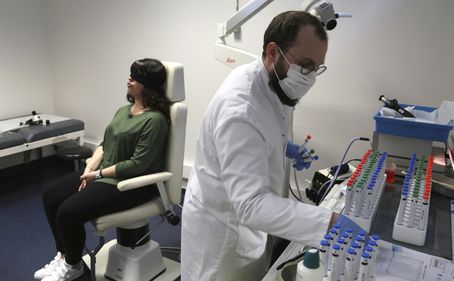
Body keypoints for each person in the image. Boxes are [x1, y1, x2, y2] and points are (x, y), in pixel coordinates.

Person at [181, 11, 339, 281]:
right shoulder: (240, 107)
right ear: (272, 51)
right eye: (304, 65)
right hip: (223, 232)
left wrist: (284, 146)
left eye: (316, 68)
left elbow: (264, 125)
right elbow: (251, 205)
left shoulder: (272, 82)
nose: (309, 78)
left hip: (246, 225)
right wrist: (329, 223)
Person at [34, 58, 170, 281]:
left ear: (148, 85)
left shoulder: (155, 121)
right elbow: (106, 144)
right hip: (105, 172)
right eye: (130, 75)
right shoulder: (124, 110)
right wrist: (91, 165)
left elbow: (138, 165)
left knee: (68, 211)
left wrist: (96, 175)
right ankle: (64, 255)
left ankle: (74, 265)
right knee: (51, 195)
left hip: (132, 184)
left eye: (135, 77)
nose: (129, 80)